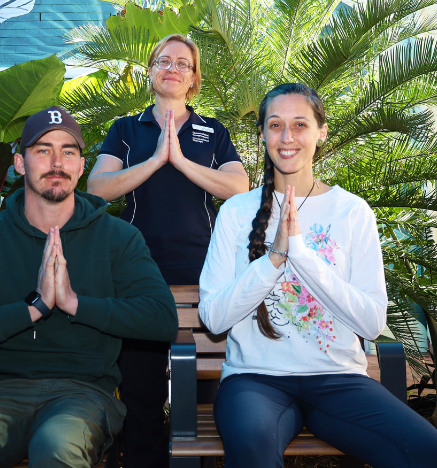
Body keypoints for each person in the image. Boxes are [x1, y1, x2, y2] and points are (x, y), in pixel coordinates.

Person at [198, 83, 437, 468]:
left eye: (300, 124)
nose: (287, 138)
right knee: (252, 449)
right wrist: (274, 259)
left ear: (321, 131)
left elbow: (371, 323)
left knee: (434, 457)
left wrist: (302, 254)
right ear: (262, 134)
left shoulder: (351, 212)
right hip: (256, 380)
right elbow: (213, 317)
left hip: (338, 381)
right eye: (275, 125)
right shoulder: (236, 212)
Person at [0, 106, 179, 468]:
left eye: (68, 151)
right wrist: (32, 308)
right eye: (42, 150)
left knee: (59, 447)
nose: (57, 162)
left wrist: (74, 303)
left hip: (81, 395)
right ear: (20, 163)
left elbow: (161, 319)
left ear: (81, 167)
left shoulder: (117, 238)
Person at [87, 34, 249, 467]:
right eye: (164, 61)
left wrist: (180, 160)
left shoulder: (213, 131)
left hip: (203, 273)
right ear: (151, 72)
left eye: (183, 63)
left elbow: (238, 186)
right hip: (138, 273)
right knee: (141, 386)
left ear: (194, 78)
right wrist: (155, 159)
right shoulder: (125, 129)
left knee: (206, 382)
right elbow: (97, 189)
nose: (173, 68)